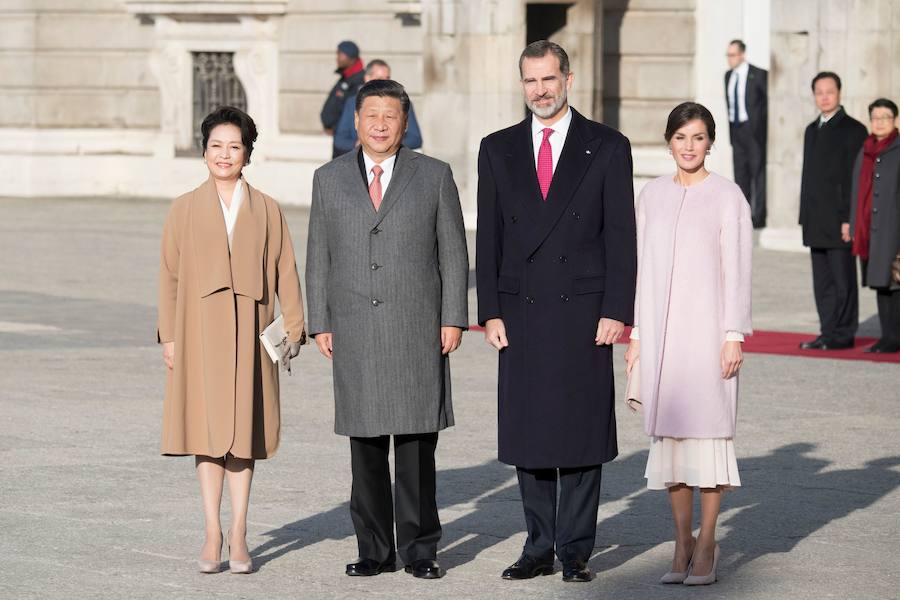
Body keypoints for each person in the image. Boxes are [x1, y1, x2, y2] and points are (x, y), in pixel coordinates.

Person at [475, 40, 637, 584]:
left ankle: (575, 550)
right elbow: (490, 237)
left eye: (549, 79)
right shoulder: (496, 148)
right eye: (530, 81)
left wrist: (617, 308)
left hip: (585, 311)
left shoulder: (608, 146)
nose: (540, 91)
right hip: (520, 310)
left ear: (569, 78)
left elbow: (621, 235)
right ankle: (538, 545)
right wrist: (490, 311)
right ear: (521, 84)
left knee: (582, 432)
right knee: (531, 431)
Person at [305, 79, 469, 580]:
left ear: (404, 122)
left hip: (417, 327)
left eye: (390, 115)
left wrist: (452, 316)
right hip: (353, 326)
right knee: (367, 447)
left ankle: (420, 549)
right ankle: (374, 548)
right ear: (355, 121)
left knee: (418, 448)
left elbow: (454, 254)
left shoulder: (434, 175)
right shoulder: (328, 178)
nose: (380, 123)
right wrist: (320, 321)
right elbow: (318, 255)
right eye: (371, 114)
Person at [157, 106, 306, 574]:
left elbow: (286, 268)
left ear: (247, 153)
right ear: (204, 152)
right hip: (198, 330)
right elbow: (169, 275)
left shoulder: (266, 208)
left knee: (244, 435)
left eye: (234, 147)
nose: (225, 155)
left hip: (252, 329)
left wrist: (294, 327)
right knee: (206, 433)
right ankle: (211, 531)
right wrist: (169, 337)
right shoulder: (183, 208)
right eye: (217, 146)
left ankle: (239, 530)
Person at [625, 102, 752, 586]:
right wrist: (637, 335)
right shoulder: (651, 195)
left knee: (709, 440)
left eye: (698, 137)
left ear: (710, 142)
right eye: (681, 137)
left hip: (708, 335)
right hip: (660, 334)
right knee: (673, 444)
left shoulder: (728, 197)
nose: (689, 146)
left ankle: (708, 542)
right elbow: (640, 269)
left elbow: (737, 270)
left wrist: (733, 335)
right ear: (668, 141)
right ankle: (681, 543)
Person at [798, 72, 868, 350]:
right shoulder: (811, 130)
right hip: (815, 219)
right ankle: (827, 331)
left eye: (830, 91)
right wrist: (804, 215)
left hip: (840, 220)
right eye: (819, 92)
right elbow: (808, 176)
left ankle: (843, 333)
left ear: (839, 93)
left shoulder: (854, 130)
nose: (824, 96)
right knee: (822, 282)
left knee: (843, 280)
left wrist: (847, 218)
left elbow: (855, 178)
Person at [850, 98, 900, 353]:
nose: (880, 122)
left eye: (886, 118)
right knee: (882, 283)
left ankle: (893, 338)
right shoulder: (866, 149)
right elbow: (857, 191)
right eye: (876, 118)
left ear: (895, 121)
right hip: (871, 230)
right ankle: (889, 336)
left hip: (893, 229)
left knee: (895, 284)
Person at [333, 59, 423, 156]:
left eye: (387, 78)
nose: (384, 82)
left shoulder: (401, 103)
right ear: (367, 78)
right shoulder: (352, 103)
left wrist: (389, 144)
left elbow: (416, 138)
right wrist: (360, 144)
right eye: (379, 78)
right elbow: (339, 140)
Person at [724, 39, 768, 228]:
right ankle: (743, 213)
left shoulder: (758, 75)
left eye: (733, 55)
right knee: (740, 173)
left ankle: (759, 216)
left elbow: (766, 104)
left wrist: (761, 127)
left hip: (753, 129)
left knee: (757, 173)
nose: (730, 59)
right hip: (736, 129)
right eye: (728, 55)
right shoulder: (728, 76)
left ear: (742, 55)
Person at [321, 40, 365, 158]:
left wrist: (336, 126)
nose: (337, 58)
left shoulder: (358, 81)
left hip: (349, 144)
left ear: (351, 57)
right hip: (340, 139)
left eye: (340, 54)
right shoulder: (346, 78)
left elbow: (353, 111)